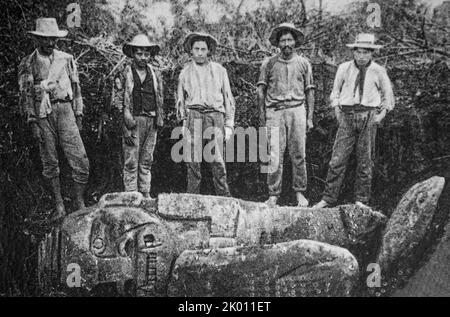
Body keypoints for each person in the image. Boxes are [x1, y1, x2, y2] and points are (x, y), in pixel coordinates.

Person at [313, 33, 395, 209]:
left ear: (372, 53)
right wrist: (337, 109)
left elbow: (388, 96)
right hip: (347, 116)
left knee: (365, 160)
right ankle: (328, 198)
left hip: (368, 116)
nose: (362, 56)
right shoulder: (344, 68)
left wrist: (379, 116)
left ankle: (361, 200)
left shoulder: (378, 71)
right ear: (353, 52)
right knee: (337, 159)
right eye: (359, 52)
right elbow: (335, 91)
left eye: (366, 52)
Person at [18, 18, 89, 219]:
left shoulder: (66, 59)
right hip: (43, 114)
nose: (50, 43)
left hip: (65, 110)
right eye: (45, 39)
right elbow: (26, 95)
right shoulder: (28, 62)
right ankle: (59, 205)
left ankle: (79, 202)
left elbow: (76, 88)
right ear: (37, 40)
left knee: (81, 160)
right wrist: (33, 122)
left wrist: (79, 113)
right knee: (50, 161)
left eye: (53, 39)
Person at [257, 23, 315, 207]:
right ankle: (273, 194)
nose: (286, 43)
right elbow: (260, 91)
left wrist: (310, 118)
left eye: (290, 39)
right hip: (274, 111)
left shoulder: (304, 63)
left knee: (299, 153)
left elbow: (310, 91)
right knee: (274, 155)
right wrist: (262, 117)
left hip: (297, 109)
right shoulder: (269, 63)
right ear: (278, 43)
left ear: (295, 41)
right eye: (283, 40)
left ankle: (300, 193)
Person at [176, 32, 235, 196]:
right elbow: (181, 99)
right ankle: (192, 197)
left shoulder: (220, 71)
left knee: (217, 159)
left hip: (215, 116)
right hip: (194, 115)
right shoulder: (185, 73)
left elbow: (228, 97)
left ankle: (224, 197)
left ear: (209, 50)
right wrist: (183, 122)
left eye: (203, 49)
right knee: (193, 160)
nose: (200, 52)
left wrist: (229, 124)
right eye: (197, 49)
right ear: (191, 51)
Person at [121, 34, 164, 198]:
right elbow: (118, 101)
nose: (143, 57)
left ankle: (145, 194)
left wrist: (159, 119)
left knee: (146, 160)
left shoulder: (155, 74)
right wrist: (125, 126)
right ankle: (131, 195)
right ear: (133, 53)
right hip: (133, 120)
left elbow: (159, 97)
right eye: (139, 53)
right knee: (131, 160)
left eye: (146, 54)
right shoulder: (125, 73)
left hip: (151, 120)